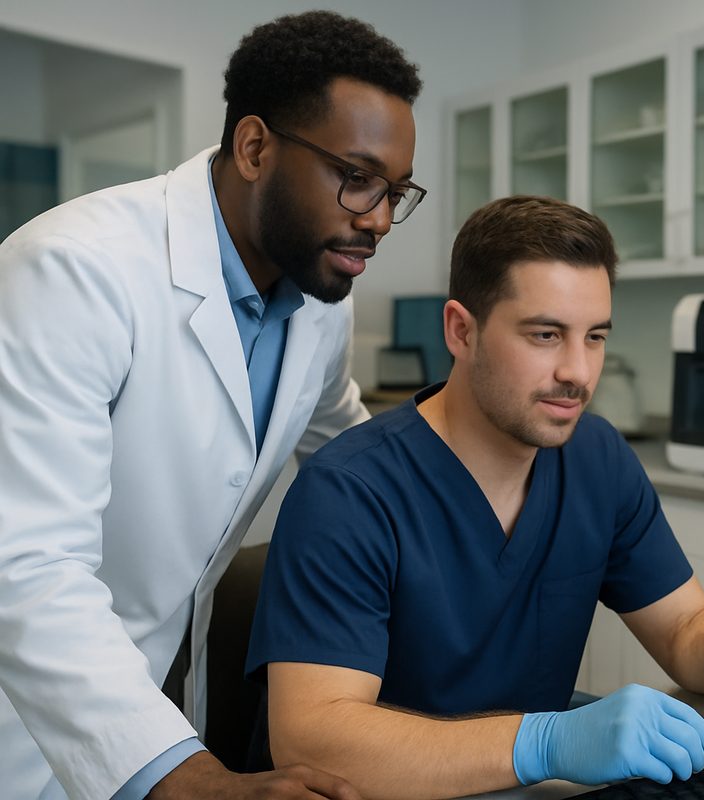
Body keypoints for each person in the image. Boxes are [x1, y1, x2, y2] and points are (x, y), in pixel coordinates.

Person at [245, 196, 704, 799]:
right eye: (546, 334)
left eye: (595, 336)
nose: (578, 371)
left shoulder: (597, 459)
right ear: (460, 331)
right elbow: (313, 742)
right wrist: (545, 743)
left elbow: (684, 622)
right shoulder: (349, 492)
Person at [0, 11, 425, 799]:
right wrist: (196, 780)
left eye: (395, 192)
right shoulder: (72, 270)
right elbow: (26, 568)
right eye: (357, 177)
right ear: (256, 147)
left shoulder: (321, 294)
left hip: (163, 693)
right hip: (25, 716)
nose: (377, 219)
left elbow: (346, 446)